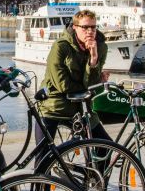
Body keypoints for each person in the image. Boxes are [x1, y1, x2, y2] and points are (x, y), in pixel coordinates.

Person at [37, 9, 112, 143]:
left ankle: (93, 164)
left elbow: (92, 85)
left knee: (105, 146)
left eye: (93, 27)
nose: (90, 31)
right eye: (85, 27)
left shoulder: (100, 47)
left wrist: (93, 58)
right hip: (55, 106)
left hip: (82, 106)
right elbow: (63, 85)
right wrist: (91, 85)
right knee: (44, 155)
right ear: (75, 27)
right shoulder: (61, 47)